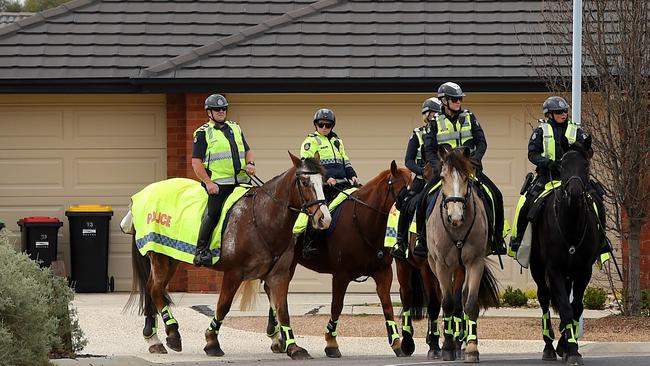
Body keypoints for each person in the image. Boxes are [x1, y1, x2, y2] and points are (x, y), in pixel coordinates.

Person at [412, 82, 506, 257]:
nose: (458, 102)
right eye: (454, 100)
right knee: (422, 199)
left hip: (469, 170)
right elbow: (430, 149)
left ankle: (497, 239)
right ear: (444, 101)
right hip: (446, 173)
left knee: (496, 195)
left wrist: (475, 160)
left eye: (459, 99)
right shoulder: (435, 123)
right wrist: (438, 166)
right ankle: (421, 239)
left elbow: (482, 142)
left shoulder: (470, 117)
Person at [508, 96, 608, 258]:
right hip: (548, 176)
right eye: (559, 112)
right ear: (550, 114)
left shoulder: (577, 131)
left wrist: (580, 155)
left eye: (565, 111)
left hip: (574, 177)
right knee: (525, 203)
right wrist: (549, 163)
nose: (563, 114)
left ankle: (602, 241)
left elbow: (588, 151)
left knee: (597, 200)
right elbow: (532, 154)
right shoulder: (541, 131)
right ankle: (518, 239)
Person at [191, 94, 255, 267]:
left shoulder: (235, 127)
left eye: (223, 108)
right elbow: (196, 163)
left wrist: (250, 163)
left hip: (241, 181)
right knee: (213, 213)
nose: (221, 112)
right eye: (217, 109)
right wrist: (209, 183)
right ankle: (201, 250)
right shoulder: (203, 133)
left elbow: (248, 150)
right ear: (209, 112)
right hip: (219, 185)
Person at [299, 108, 359, 257]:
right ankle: (308, 244)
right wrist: (326, 178)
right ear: (316, 125)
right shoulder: (310, 141)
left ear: (332, 126)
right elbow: (308, 164)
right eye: (321, 125)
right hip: (323, 185)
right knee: (319, 211)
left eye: (328, 125)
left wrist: (352, 175)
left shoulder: (338, 141)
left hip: (342, 182)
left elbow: (345, 160)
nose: (324, 128)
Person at [390, 97, 441, 260]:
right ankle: (401, 242)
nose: (436, 118)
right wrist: (421, 171)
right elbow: (408, 160)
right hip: (422, 179)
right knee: (405, 203)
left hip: (444, 177)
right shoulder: (418, 134)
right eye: (434, 115)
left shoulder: (445, 133)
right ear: (426, 115)